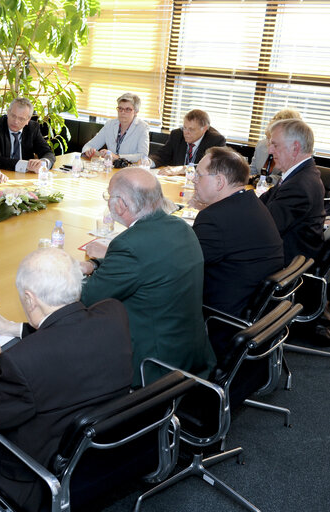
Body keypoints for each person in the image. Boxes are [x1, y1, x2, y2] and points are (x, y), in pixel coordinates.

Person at [0, 248, 132, 511]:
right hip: (104, 454)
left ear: (30, 299)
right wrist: (14, 328)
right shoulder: (114, 315)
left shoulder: (21, 361)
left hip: (36, 474)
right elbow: (65, 333)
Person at [80, 167, 216, 387]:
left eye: (109, 196)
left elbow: (87, 298)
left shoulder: (129, 244)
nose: (108, 202)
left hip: (153, 366)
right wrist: (95, 264)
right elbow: (149, 263)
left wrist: (66, 272)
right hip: (190, 352)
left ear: (122, 204)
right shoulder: (181, 227)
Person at [192, 148, 284, 354]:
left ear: (219, 182)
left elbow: (180, 264)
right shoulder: (251, 203)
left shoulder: (214, 219)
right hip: (252, 309)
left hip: (222, 316)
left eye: (199, 175)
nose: (193, 180)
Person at [260, 119, 325, 265]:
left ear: (295, 148)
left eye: (274, 145)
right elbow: (262, 201)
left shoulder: (299, 185)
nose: (270, 150)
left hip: (285, 261)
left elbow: (265, 227)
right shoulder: (299, 174)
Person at [0, 97, 56, 173]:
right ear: (8, 113)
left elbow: (47, 152)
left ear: (28, 120)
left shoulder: (32, 128)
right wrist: (26, 165)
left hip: (25, 176)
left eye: (21, 119)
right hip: (0, 174)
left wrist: (43, 163)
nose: (16, 121)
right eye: (13, 116)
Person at [82, 93, 150, 163]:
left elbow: (143, 155)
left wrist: (117, 157)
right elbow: (89, 145)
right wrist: (88, 151)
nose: (123, 112)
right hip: (109, 167)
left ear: (136, 112)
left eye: (128, 109)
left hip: (130, 168)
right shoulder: (110, 124)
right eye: (120, 108)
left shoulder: (142, 127)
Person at [149, 109, 226, 168]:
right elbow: (162, 155)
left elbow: (211, 166)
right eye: (184, 128)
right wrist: (149, 162)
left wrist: (183, 169)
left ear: (204, 129)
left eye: (191, 129)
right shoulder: (177, 135)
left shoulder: (216, 141)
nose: (186, 132)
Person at [250, 109, 302, 175]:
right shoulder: (261, 145)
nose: (269, 148)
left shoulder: (298, 154)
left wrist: (264, 180)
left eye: (275, 143)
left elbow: (288, 179)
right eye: (268, 138)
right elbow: (251, 172)